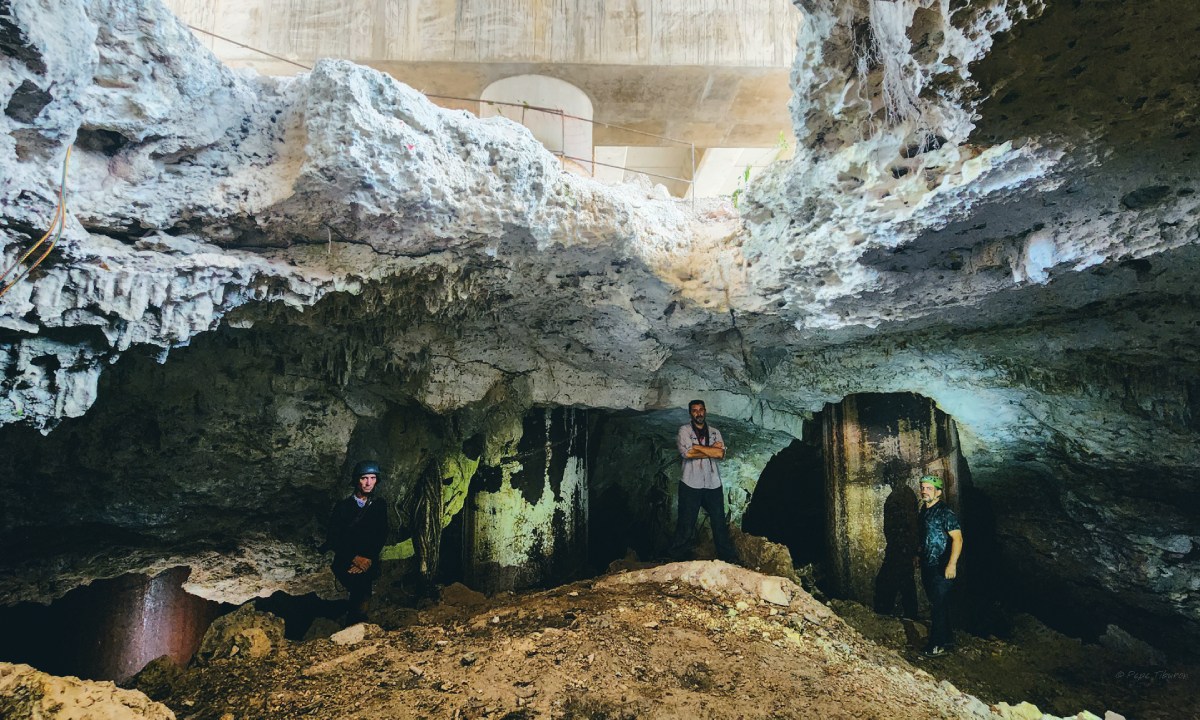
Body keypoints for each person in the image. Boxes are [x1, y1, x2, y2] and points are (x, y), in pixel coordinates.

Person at [668, 400, 741, 564]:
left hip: (713, 483)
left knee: (719, 521)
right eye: (694, 410)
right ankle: (676, 555)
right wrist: (711, 450)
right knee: (686, 521)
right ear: (690, 413)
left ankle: (727, 556)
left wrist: (698, 448)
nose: (698, 413)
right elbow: (686, 454)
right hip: (690, 483)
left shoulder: (715, 432)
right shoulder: (684, 431)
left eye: (701, 410)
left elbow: (720, 455)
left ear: (705, 411)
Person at [324, 460, 389, 624]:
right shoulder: (343, 507)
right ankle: (355, 623)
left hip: (369, 559)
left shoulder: (379, 506)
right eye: (364, 478)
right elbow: (334, 538)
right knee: (360, 586)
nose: (368, 483)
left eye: (372, 478)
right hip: (347, 559)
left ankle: (357, 623)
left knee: (363, 584)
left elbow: (381, 535)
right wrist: (355, 558)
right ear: (356, 480)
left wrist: (366, 559)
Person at [917, 474, 963, 657]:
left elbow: (958, 539)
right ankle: (947, 639)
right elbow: (925, 536)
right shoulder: (924, 509)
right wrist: (918, 554)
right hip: (929, 564)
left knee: (938, 605)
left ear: (938, 492)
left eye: (929, 488)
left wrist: (952, 564)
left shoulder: (945, 512)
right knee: (938, 603)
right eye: (923, 487)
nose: (924, 491)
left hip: (942, 565)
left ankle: (936, 645)